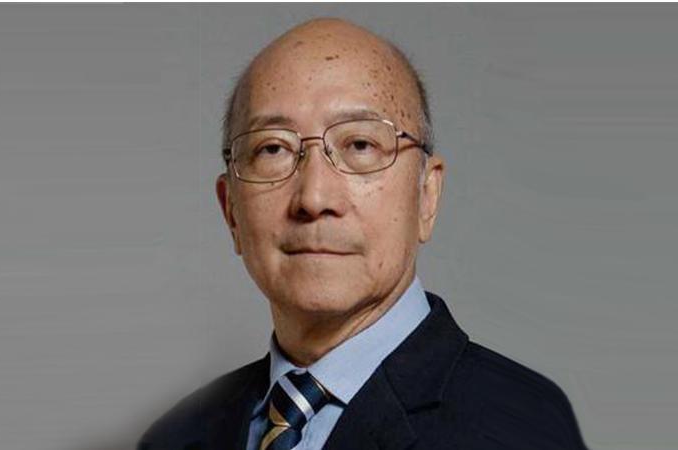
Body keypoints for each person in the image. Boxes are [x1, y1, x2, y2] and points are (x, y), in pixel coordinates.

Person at [138, 17, 588, 450]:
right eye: (273, 149)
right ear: (231, 211)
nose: (314, 198)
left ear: (426, 196)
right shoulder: (176, 436)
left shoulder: (522, 429)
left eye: (360, 145)